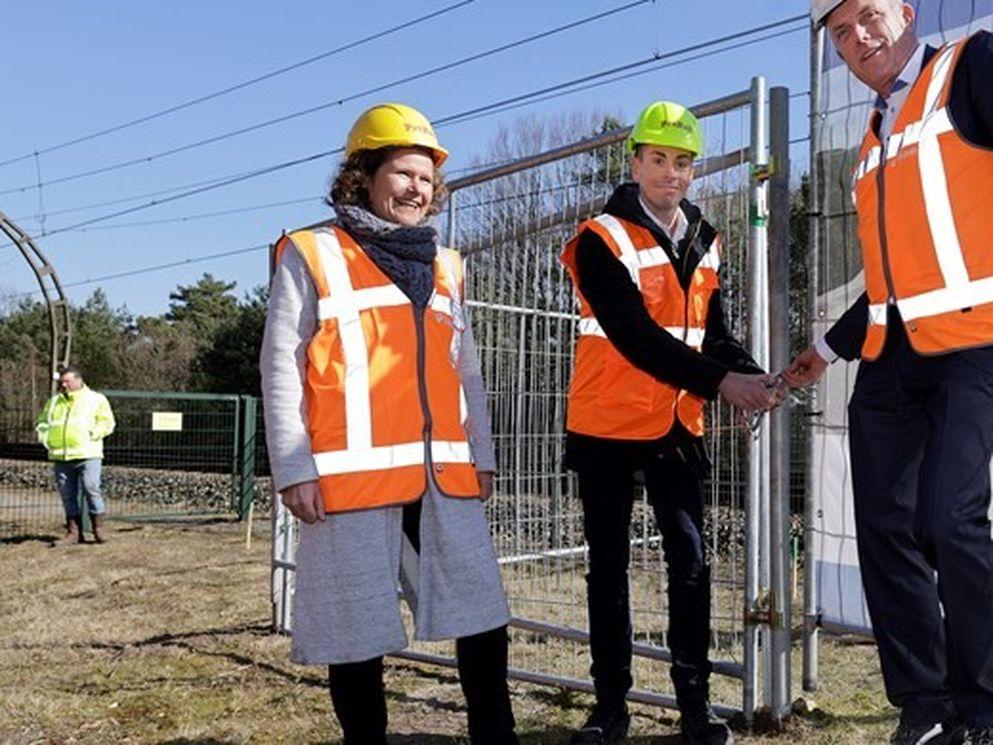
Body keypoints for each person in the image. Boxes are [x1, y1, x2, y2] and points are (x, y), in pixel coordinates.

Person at [260, 102, 517, 745]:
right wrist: (293, 468)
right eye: (403, 173)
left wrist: (480, 453)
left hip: (443, 476)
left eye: (427, 179)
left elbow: (468, 372)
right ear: (364, 176)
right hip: (350, 480)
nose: (416, 189)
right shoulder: (313, 252)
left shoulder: (447, 265)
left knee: (483, 612)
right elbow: (282, 367)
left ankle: (498, 736)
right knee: (356, 630)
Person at [785, 2, 993, 743]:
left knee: (950, 517)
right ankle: (925, 705)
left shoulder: (970, 66)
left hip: (974, 341)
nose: (856, 38)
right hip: (888, 355)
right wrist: (828, 348)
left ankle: (983, 703)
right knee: (884, 524)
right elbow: (889, 275)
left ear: (904, 12)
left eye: (867, 17)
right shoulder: (872, 139)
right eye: (839, 33)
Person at [560, 100, 781, 745]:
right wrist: (725, 383)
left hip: (679, 425)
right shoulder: (600, 238)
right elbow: (634, 337)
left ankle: (695, 709)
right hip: (607, 424)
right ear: (635, 162)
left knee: (691, 564)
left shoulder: (706, 240)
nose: (670, 173)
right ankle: (609, 710)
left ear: (694, 169)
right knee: (608, 566)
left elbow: (710, 334)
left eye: (682, 162)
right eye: (658, 159)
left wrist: (755, 373)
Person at [36, 365, 115, 545]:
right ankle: (73, 532)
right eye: (62, 381)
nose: (64, 385)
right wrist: (45, 438)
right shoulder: (54, 402)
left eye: (68, 381)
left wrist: (92, 434)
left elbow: (107, 422)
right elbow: (42, 423)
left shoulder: (96, 399)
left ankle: (98, 529)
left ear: (79, 381)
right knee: (67, 495)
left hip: (88, 453)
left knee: (91, 488)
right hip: (61, 457)